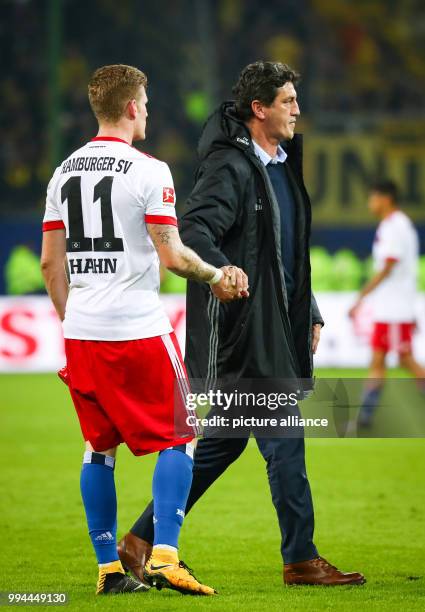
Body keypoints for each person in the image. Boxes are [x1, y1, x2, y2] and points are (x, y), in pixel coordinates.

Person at [117, 61, 365, 586]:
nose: (298, 109)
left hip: (275, 326)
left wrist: (310, 309)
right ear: (260, 109)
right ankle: (300, 558)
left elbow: (285, 255)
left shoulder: (280, 165)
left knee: (217, 448)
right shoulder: (230, 166)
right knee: (286, 443)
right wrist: (221, 271)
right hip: (245, 331)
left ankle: (139, 539)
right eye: (288, 101)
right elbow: (195, 229)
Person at [41, 63, 248, 596]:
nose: (150, 111)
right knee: (180, 435)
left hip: (83, 333)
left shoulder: (63, 172)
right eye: (148, 103)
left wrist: (73, 325)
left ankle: (109, 570)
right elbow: (173, 253)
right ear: (133, 107)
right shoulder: (150, 171)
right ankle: (164, 555)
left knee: (97, 449)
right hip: (137, 328)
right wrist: (214, 275)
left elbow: (49, 265)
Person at [349, 180, 424, 426]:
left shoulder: (394, 227)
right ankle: (365, 417)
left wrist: (361, 297)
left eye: (373, 198)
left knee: (402, 360)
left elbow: (387, 268)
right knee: (382, 359)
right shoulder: (398, 225)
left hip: (394, 310)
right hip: (393, 308)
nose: (370, 203)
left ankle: (364, 417)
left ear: (385, 199)